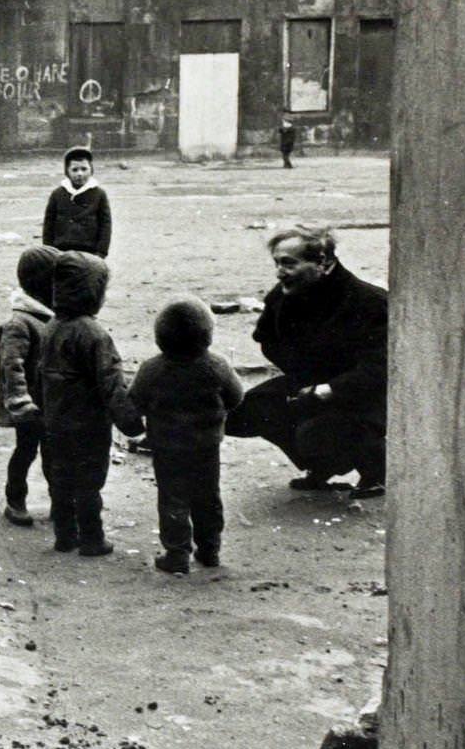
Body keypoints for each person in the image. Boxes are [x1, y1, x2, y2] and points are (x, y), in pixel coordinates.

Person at [225, 224, 388, 497]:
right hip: (308, 383)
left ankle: (375, 471)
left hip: (362, 397)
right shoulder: (283, 294)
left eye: (289, 264)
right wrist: (301, 374)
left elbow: (380, 369)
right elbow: (265, 337)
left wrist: (326, 389)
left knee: (316, 432)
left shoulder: (370, 302)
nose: (279, 272)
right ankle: (321, 466)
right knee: (241, 414)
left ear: (322, 261)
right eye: (277, 263)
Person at [37, 252, 142, 556]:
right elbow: (111, 383)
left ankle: (65, 536)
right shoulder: (94, 334)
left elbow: (39, 376)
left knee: (60, 480)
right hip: (89, 424)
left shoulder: (50, 327)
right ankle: (92, 538)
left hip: (55, 421)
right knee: (89, 483)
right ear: (92, 292)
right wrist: (132, 423)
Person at [129, 298, 245, 574]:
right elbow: (236, 396)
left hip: (167, 446)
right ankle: (210, 549)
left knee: (173, 498)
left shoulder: (151, 369)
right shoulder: (217, 366)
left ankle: (177, 552)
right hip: (206, 445)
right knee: (208, 496)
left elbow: (135, 401)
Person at [0, 245, 61, 527]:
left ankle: (60, 502)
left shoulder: (50, 318)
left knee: (52, 455)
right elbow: (11, 364)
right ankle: (15, 500)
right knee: (26, 451)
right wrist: (20, 400)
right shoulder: (20, 323)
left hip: (49, 402)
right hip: (30, 406)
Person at [42, 146, 112, 256]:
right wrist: (49, 250)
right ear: (67, 172)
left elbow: (105, 225)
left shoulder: (99, 194)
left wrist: (101, 252)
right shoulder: (57, 194)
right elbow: (48, 224)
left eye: (84, 169)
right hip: (61, 250)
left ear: (91, 170)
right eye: (74, 170)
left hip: (89, 251)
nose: (80, 174)